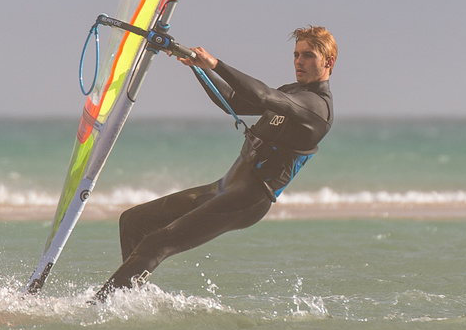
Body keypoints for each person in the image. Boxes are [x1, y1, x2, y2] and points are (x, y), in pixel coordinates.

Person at [94, 25, 336, 298]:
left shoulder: (317, 108)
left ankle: (99, 305)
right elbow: (231, 100)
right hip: (223, 187)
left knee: (156, 243)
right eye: (296, 54)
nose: (299, 61)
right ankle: (129, 298)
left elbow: (263, 96)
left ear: (328, 62)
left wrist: (216, 64)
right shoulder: (292, 91)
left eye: (308, 56)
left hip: (248, 199)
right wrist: (197, 67)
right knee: (133, 221)